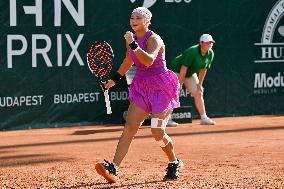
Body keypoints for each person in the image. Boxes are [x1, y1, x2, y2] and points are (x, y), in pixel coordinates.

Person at [95, 7, 183, 183]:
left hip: (161, 89)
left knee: (157, 132)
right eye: (131, 17)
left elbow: (148, 60)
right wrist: (114, 80)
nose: (133, 20)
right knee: (130, 127)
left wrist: (133, 44)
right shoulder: (132, 39)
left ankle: (174, 161)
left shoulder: (154, 39)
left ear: (147, 21)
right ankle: (114, 168)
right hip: (142, 87)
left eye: (138, 18)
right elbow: (129, 61)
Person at [169, 34, 216, 125]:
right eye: (208, 43)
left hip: (190, 73)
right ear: (201, 43)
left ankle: (204, 118)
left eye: (211, 43)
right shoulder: (192, 51)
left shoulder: (210, 54)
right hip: (177, 71)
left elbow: (203, 69)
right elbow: (183, 68)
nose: (210, 45)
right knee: (174, 93)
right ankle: (167, 119)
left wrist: (199, 85)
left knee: (198, 92)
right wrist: (180, 84)